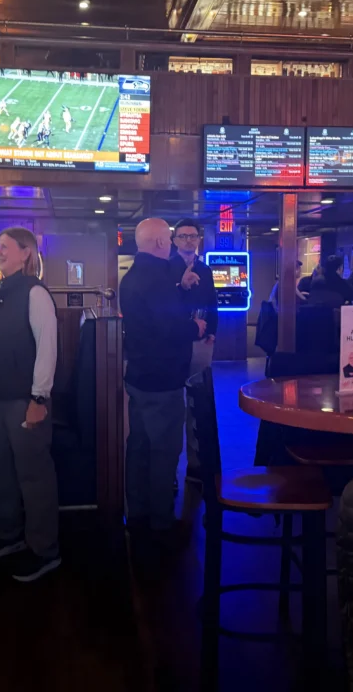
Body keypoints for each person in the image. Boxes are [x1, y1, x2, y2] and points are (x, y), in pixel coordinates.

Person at [0, 226, 61, 583]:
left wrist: (39, 398)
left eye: (4, 247)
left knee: (34, 476)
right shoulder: (1, 294)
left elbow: (47, 348)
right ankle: (8, 536)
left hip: (24, 401)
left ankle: (44, 550)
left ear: (26, 253)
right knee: (3, 472)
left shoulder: (35, 293)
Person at [121, 218, 206, 537]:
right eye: (169, 240)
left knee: (138, 447)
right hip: (163, 380)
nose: (171, 244)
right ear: (159, 243)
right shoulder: (157, 278)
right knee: (164, 452)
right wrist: (194, 328)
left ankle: (137, 513)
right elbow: (169, 327)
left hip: (139, 376)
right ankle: (160, 522)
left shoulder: (132, 276)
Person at [168, 219, 218, 486]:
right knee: (176, 404)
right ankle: (171, 469)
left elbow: (212, 302)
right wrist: (181, 286)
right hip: (175, 343)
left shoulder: (206, 269)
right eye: (183, 236)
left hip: (201, 342)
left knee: (197, 403)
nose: (188, 240)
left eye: (193, 236)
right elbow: (162, 306)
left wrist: (213, 330)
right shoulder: (167, 269)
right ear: (174, 240)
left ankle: (195, 464)